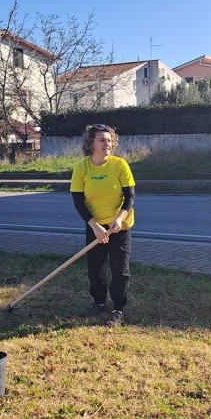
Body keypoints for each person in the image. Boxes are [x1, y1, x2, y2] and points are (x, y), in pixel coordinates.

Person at [70, 124, 135, 327]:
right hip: (95, 227)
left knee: (120, 270)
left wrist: (119, 218)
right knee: (95, 271)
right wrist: (95, 226)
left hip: (119, 227)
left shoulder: (120, 165)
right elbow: (78, 201)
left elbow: (130, 197)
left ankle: (118, 309)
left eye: (109, 140)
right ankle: (98, 302)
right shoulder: (81, 168)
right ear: (91, 143)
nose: (107, 143)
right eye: (102, 139)